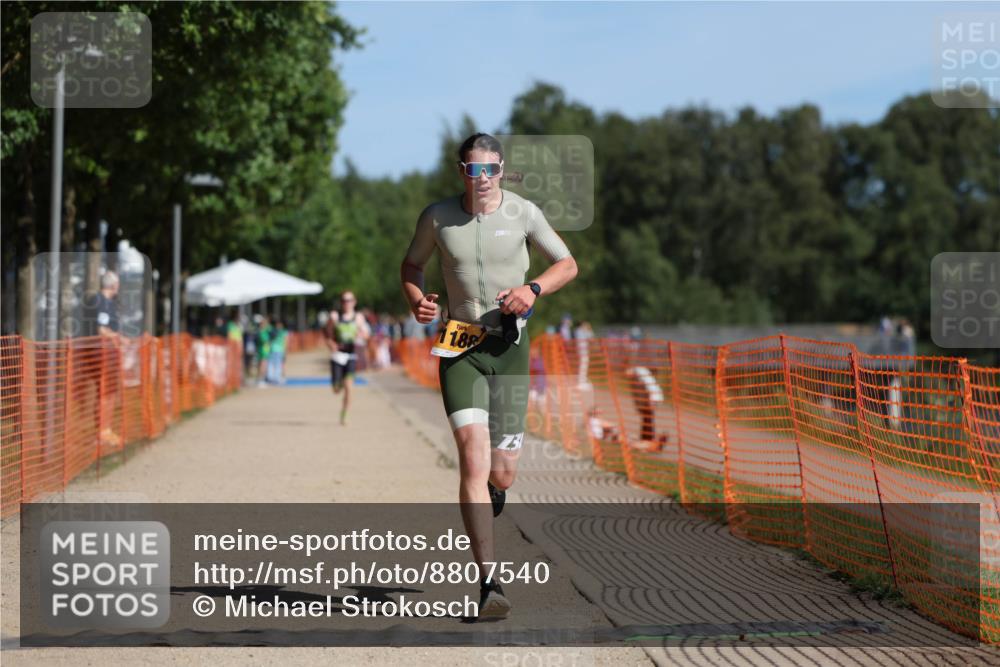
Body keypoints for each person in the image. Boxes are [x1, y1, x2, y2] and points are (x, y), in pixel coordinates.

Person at [400, 132, 578, 619]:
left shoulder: (524, 212)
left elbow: (567, 264)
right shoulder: (437, 217)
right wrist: (417, 301)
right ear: (462, 172)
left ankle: (496, 490)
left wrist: (533, 289)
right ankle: (488, 584)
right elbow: (412, 265)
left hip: (509, 349)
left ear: (501, 169)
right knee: (473, 463)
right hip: (461, 348)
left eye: (491, 169)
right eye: (474, 170)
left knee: (502, 472)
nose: (483, 178)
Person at [325, 291, 370, 425]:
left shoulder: (358, 317)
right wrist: (330, 343)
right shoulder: (334, 316)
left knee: (349, 388)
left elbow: (366, 335)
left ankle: (344, 415)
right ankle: (337, 383)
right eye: (344, 300)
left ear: (354, 302)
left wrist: (362, 335)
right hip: (337, 356)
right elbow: (327, 334)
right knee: (336, 390)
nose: (347, 303)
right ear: (341, 302)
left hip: (351, 356)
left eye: (349, 300)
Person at [267, 320, 288, 384]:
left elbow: (269, 341)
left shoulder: (272, 331)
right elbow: (285, 342)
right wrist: (285, 352)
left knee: (271, 364)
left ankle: (270, 378)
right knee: (277, 365)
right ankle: (276, 378)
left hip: (272, 349)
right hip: (279, 350)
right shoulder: (284, 332)